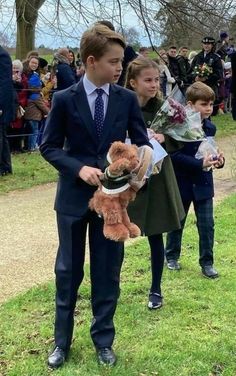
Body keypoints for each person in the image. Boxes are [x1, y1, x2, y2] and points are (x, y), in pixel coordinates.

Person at [40, 24, 151, 369]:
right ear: (91, 61)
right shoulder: (63, 99)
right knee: (68, 272)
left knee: (108, 271)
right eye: (114, 62)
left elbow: (140, 140)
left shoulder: (126, 99)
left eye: (121, 61)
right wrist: (78, 169)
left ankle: (103, 340)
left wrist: (142, 164)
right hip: (73, 201)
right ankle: (62, 343)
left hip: (113, 204)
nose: (121, 68)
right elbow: (48, 146)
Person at [125, 58, 185, 309]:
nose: (154, 85)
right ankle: (111, 284)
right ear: (133, 82)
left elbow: (181, 136)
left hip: (158, 177)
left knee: (156, 235)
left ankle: (156, 289)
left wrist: (164, 137)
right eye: (148, 80)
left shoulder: (166, 108)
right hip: (128, 177)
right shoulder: (123, 105)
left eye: (157, 80)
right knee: (118, 234)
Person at [165, 82, 225, 278]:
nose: (208, 108)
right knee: (177, 222)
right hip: (182, 182)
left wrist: (218, 160)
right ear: (190, 105)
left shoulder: (210, 127)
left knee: (207, 225)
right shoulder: (177, 127)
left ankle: (207, 262)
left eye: (210, 104)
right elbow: (174, 157)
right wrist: (199, 164)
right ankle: (171, 255)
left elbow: (209, 152)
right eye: (203, 104)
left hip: (203, 183)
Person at [190, 37, 223, 115]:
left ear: (212, 45)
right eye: (205, 44)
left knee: (207, 111)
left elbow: (219, 74)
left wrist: (206, 78)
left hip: (210, 87)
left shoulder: (216, 58)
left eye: (208, 44)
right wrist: (195, 77)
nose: (206, 46)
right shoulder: (197, 57)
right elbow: (190, 72)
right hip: (197, 88)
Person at [0, 45, 14, 175]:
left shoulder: (2, 56)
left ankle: (4, 167)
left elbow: (4, 83)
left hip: (1, 104)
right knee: (2, 136)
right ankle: (5, 167)